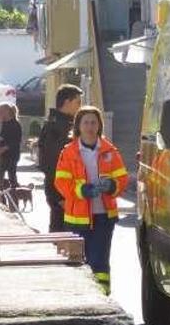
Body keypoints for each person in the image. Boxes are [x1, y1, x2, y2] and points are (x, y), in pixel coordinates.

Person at [55, 106, 128, 295]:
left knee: (100, 261)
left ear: (99, 126)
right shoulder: (69, 151)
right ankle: (79, 298)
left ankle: (102, 297)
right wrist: (80, 190)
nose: (89, 126)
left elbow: (122, 178)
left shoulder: (110, 150)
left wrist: (112, 186)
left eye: (93, 122)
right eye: (85, 122)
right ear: (78, 126)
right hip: (77, 219)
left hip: (104, 216)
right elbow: (61, 182)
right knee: (78, 261)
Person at [38, 84, 83, 232]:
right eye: (78, 102)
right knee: (60, 236)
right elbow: (51, 165)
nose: (80, 107)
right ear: (67, 102)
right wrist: (59, 197)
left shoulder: (66, 125)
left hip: (68, 193)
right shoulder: (56, 128)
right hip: (61, 194)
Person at [0, 103, 22, 192]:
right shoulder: (4, 123)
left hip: (12, 155)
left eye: (0, 111)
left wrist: (3, 148)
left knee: (12, 177)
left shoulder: (15, 124)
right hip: (3, 155)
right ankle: (3, 197)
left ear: (6, 112)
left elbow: (15, 141)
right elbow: (3, 137)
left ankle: (16, 194)